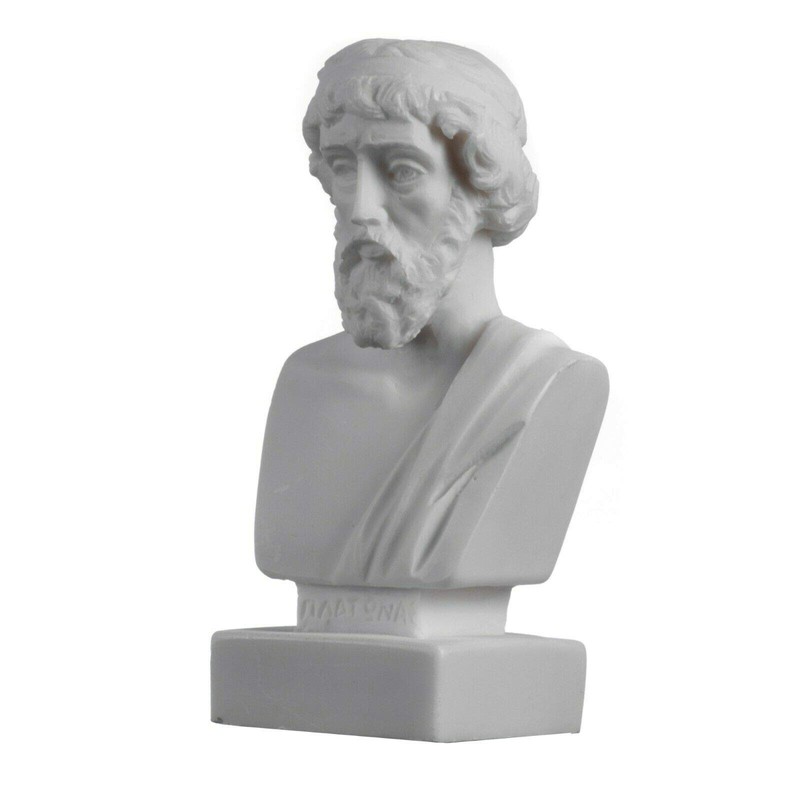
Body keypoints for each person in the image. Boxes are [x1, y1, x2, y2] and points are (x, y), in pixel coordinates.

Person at [254, 39, 608, 589]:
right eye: (343, 168)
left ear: (483, 184)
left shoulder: (543, 383)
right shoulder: (307, 381)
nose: (361, 209)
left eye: (402, 171)